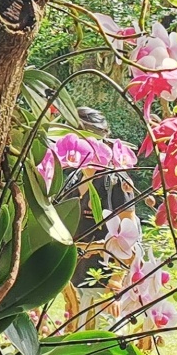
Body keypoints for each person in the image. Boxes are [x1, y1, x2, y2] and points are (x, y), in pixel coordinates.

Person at [64, 107, 135, 330]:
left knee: (105, 346)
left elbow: (129, 234)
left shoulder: (115, 180)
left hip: (104, 285)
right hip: (74, 279)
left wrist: (117, 279)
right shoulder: (70, 178)